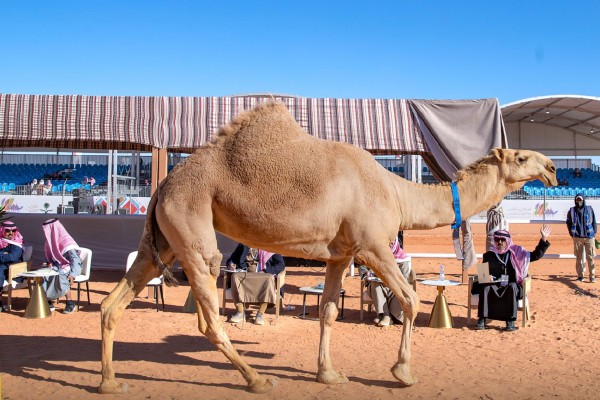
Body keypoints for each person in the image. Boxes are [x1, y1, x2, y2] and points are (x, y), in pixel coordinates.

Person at [472, 226, 551, 331]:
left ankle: (510, 321)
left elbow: (536, 255)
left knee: (511, 287)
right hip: (494, 285)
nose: (500, 242)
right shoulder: (488, 255)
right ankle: (482, 319)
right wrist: (486, 277)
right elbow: (482, 275)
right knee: (486, 287)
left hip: (512, 286)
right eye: (497, 239)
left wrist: (543, 239)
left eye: (502, 240)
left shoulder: (517, 253)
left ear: (508, 240)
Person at [225, 243, 286, 325]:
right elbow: (231, 259)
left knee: (268, 278)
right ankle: (240, 312)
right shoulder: (243, 245)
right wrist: (230, 264)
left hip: (262, 278)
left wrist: (265, 271)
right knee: (235, 276)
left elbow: (280, 265)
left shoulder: (270, 246)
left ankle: (260, 314)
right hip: (246, 278)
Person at [359, 237, 410, 327]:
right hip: (379, 285)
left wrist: (392, 280)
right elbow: (362, 266)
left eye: (391, 244)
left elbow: (404, 278)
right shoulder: (375, 254)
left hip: (395, 287)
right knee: (375, 284)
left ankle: (392, 317)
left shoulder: (402, 258)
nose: (389, 246)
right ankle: (384, 315)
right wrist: (366, 274)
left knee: (399, 289)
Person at [40, 218, 82, 314]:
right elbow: (49, 257)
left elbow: (75, 260)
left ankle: (69, 302)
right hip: (56, 265)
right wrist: (48, 263)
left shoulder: (67, 241)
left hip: (69, 266)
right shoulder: (49, 242)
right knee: (44, 273)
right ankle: (48, 299)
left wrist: (73, 274)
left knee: (61, 273)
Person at [566, 193, 596, 283]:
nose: (579, 202)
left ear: (583, 200)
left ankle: (592, 276)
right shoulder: (571, 211)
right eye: (577, 200)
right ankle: (580, 276)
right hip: (577, 237)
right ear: (575, 200)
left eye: (580, 200)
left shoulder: (589, 209)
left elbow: (593, 221)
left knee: (590, 257)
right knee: (579, 257)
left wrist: (594, 233)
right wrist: (572, 233)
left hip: (589, 237)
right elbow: (568, 222)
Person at [0, 221, 24, 312]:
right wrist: (3, 254)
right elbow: (7, 257)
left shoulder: (17, 244)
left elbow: (13, 257)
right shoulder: (1, 241)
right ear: (2, 230)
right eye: (8, 231)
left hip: (12, 271)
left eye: (13, 231)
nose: (11, 233)